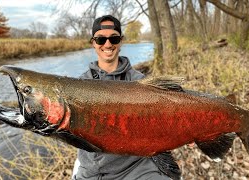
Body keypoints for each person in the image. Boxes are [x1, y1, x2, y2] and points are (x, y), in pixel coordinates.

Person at [72, 15, 181, 180]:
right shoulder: (79, 83)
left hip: (137, 168)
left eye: (113, 38)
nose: (108, 44)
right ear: (93, 42)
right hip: (91, 173)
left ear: (121, 41)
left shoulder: (139, 82)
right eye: (101, 39)